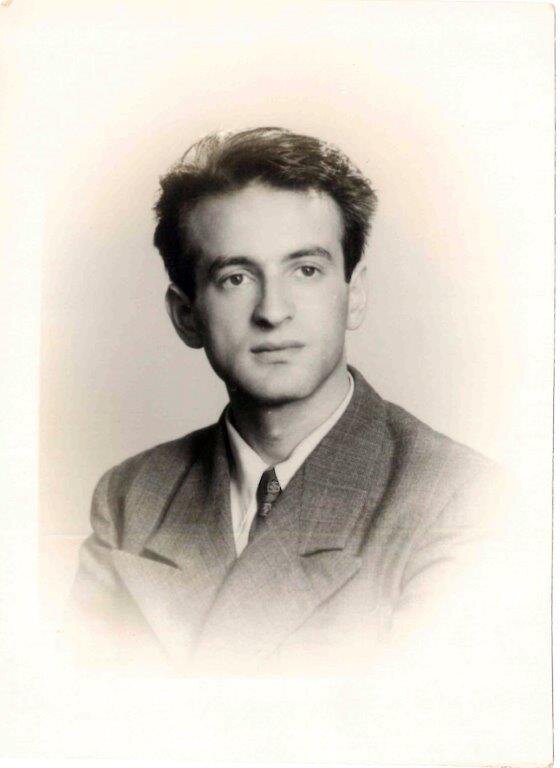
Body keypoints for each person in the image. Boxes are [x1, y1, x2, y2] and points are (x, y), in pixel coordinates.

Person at [68, 127, 506, 675]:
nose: (273, 311)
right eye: (235, 278)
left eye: (306, 271)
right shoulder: (131, 497)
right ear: (186, 315)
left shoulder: (462, 498)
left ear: (355, 294)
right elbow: (84, 706)